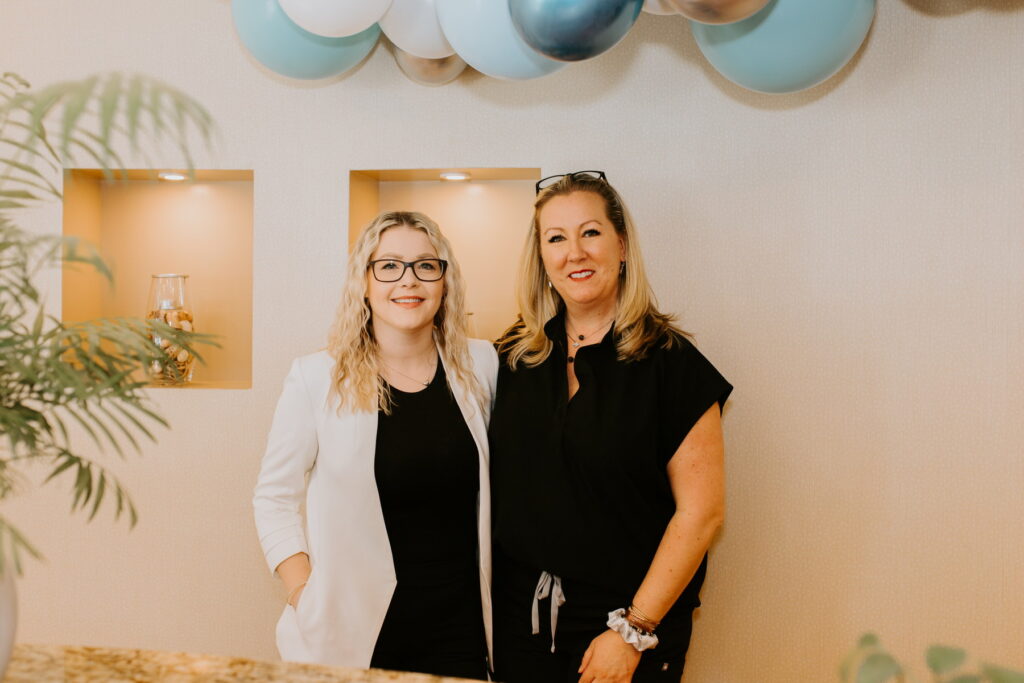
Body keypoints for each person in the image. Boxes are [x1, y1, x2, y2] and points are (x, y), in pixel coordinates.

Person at [489, 171, 733, 683]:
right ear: (541, 257)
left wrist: (632, 630)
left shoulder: (672, 364)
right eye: (556, 238)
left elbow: (701, 514)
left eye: (590, 232)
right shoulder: (514, 355)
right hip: (519, 628)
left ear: (621, 246)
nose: (574, 253)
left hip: (623, 631)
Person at [253, 211, 498, 679]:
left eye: (426, 265)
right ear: (363, 283)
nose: (409, 280)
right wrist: (302, 590)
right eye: (388, 266)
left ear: (444, 281)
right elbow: (273, 496)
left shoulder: (481, 365)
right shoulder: (317, 378)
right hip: (356, 635)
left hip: (460, 631)